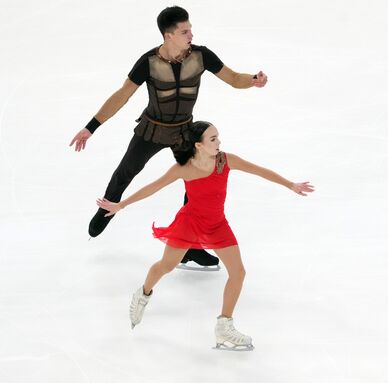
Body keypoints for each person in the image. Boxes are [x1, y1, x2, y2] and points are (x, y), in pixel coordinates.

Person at [69, 6, 268, 269]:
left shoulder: (201, 56)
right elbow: (122, 95)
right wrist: (91, 127)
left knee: (198, 183)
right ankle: (106, 210)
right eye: (184, 31)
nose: (191, 34)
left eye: (190, 29)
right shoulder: (148, 62)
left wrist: (252, 80)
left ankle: (191, 247)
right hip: (152, 129)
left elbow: (232, 78)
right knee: (125, 173)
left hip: (185, 131)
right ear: (168, 35)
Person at [96, 121, 314, 350]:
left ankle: (224, 327)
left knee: (238, 272)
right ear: (199, 145)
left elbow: (259, 170)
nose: (219, 142)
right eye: (213, 139)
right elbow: (153, 187)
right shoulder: (183, 168)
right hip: (189, 223)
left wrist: (291, 185)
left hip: (217, 224)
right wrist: (122, 205)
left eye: (218, 137)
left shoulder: (225, 161)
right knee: (166, 266)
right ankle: (142, 295)